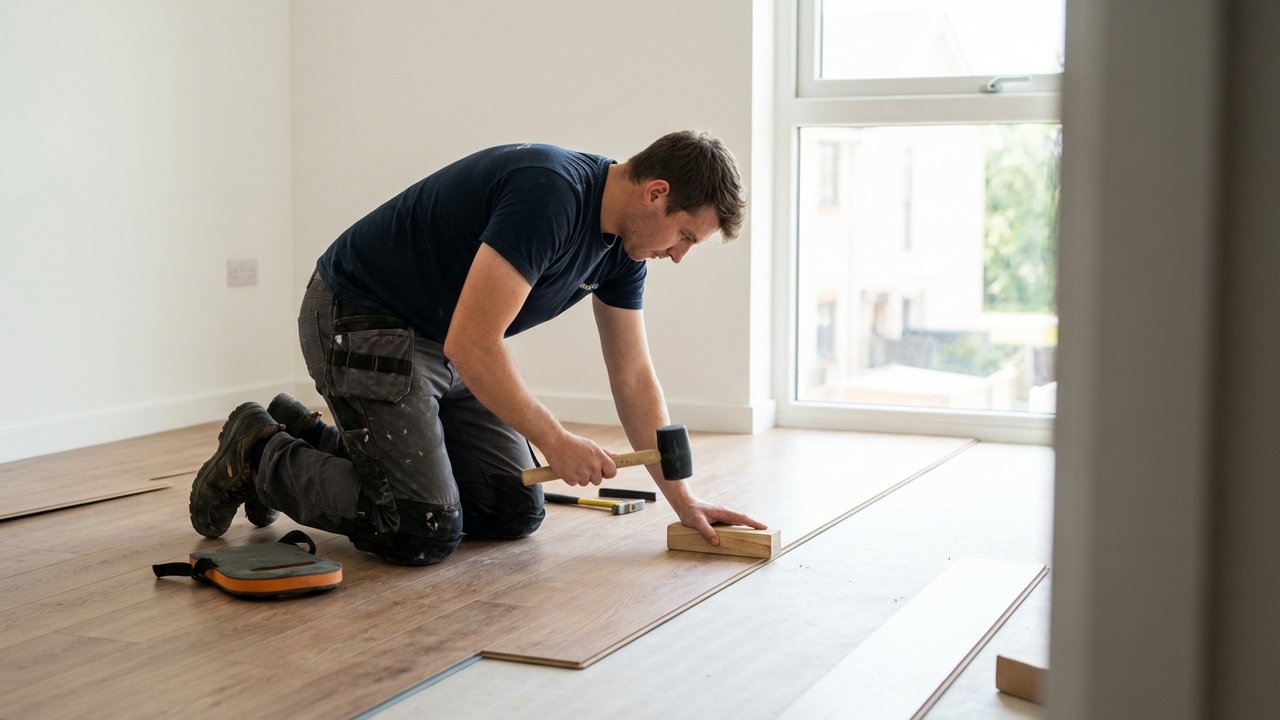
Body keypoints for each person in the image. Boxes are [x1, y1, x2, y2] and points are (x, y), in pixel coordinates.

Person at [188, 130, 766, 565]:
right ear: (657, 193)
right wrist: (555, 439)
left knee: (510, 506)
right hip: (360, 317)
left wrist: (684, 502)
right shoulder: (551, 194)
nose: (679, 255)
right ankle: (259, 452)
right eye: (685, 236)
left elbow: (634, 375)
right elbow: (473, 343)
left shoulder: (625, 250)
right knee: (420, 527)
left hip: (445, 341)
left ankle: (310, 436)